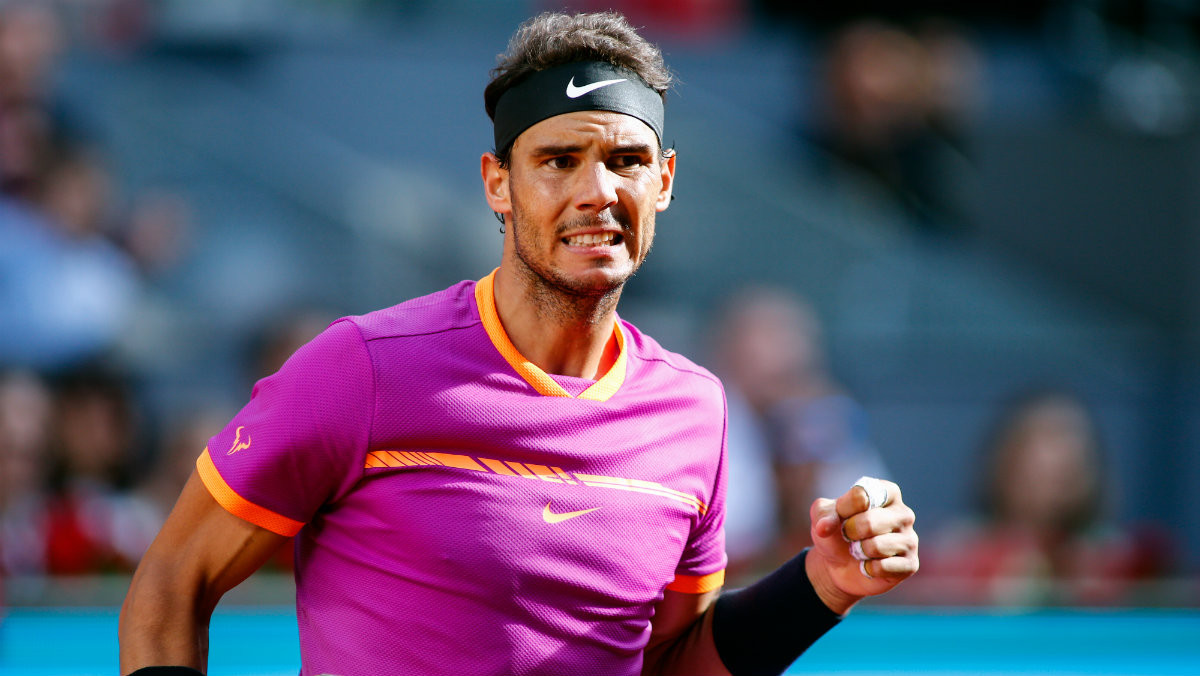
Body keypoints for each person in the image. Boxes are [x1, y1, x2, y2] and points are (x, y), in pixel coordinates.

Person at [119, 11, 918, 676]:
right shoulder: (358, 368)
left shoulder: (696, 410)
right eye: (558, 160)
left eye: (626, 161)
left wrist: (820, 586)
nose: (596, 192)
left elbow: (671, 664)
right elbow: (170, 583)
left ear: (664, 182)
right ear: (498, 183)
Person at [922, 388, 1168, 606]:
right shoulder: (955, 555)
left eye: (1072, 442)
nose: (1062, 456)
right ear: (1004, 463)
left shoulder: (1129, 562)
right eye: (1043, 441)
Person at [710, 286, 890, 582]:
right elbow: (728, 541)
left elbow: (874, 532)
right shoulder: (700, 419)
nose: (785, 355)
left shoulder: (826, 417)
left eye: (792, 340)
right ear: (728, 354)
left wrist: (810, 469)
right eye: (768, 339)